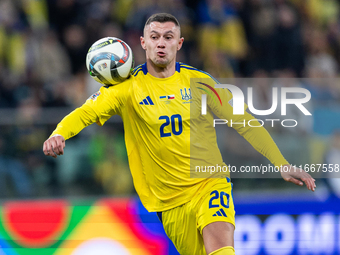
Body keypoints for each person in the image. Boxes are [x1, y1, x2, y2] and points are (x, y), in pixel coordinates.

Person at [43, 13, 316, 255]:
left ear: (179, 43)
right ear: (143, 43)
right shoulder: (126, 89)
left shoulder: (200, 83)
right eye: (155, 37)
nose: (161, 43)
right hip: (169, 201)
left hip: (209, 182)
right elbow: (84, 113)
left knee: (222, 247)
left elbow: (245, 122)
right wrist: (60, 133)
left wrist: (281, 162)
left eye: (168, 37)